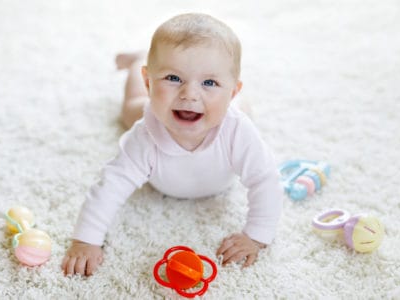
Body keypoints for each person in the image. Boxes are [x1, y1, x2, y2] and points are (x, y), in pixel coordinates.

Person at [62, 13, 283, 276]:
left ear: (232, 90)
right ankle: (136, 63)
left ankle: (230, 98)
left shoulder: (238, 131)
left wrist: (256, 236)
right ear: (149, 82)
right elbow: (110, 185)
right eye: (173, 78)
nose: (189, 93)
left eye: (209, 82)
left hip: (231, 116)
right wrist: (86, 240)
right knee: (130, 109)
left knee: (243, 114)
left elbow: (265, 179)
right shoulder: (143, 137)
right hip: (156, 113)